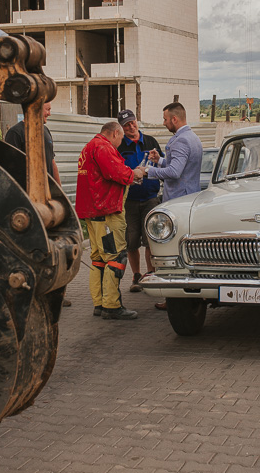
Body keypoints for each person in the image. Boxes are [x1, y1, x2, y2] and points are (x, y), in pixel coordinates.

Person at [76, 121, 147, 320]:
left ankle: (99, 303)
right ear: (115, 133)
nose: (121, 142)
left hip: (92, 212)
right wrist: (136, 173)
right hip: (106, 212)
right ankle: (111, 305)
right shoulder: (103, 147)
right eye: (121, 137)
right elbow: (117, 172)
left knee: (98, 258)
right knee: (115, 258)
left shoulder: (89, 147)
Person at [5, 102, 69, 305]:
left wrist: (59, 193)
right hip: (29, 201)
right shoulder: (15, 134)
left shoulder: (46, 130)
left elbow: (51, 162)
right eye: (47, 109)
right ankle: (32, 292)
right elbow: (12, 168)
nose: (50, 113)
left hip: (48, 198)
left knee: (53, 245)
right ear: (34, 108)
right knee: (32, 246)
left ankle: (54, 292)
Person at [145, 102, 202, 309]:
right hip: (190, 195)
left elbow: (175, 173)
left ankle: (175, 299)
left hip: (178, 201)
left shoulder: (180, 141)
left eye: (165, 119)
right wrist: (160, 160)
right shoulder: (193, 138)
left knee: (173, 251)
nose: (164, 122)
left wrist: (148, 171)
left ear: (174, 119)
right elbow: (180, 168)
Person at [115, 109, 161, 293]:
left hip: (150, 198)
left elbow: (163, 162)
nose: (131, 127)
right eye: (126, 125)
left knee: (151, 239)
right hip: (129, 200)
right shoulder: (120, 146)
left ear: (136, 122)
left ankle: (151, 274)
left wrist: (157, 160)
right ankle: (136, 275)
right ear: (122, 128)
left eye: (133, 122)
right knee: (131, 241)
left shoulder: (150, 142)